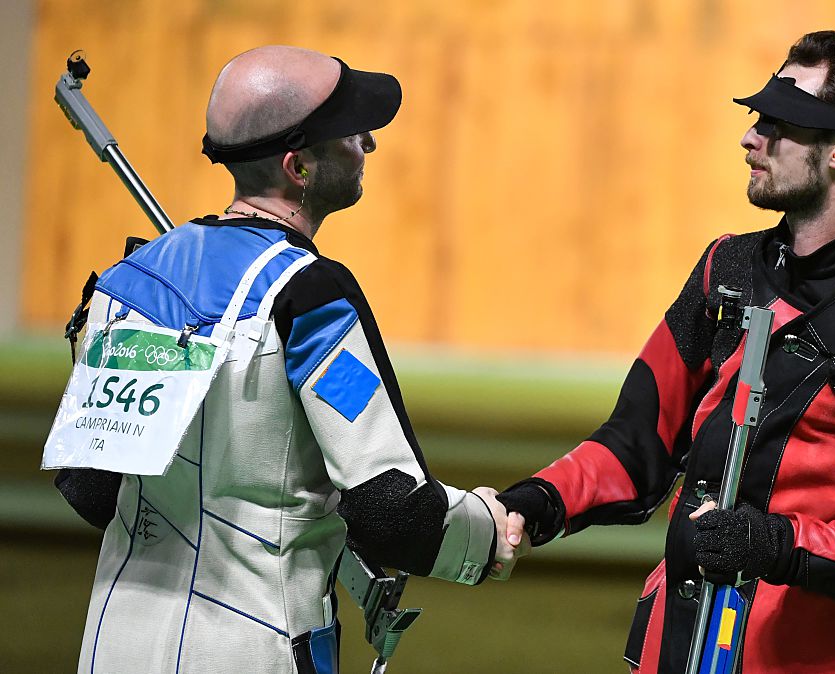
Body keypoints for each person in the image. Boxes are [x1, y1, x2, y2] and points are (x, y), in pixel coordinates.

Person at [497, 31, 835, 673]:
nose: (751, 137)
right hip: (674, 650)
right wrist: (534, 502)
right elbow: (636, 442)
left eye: (781, 123)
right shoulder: (726, 267)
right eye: (758, 118)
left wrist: (773, 544)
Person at [52, 45, 523, 673]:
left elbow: (90, 491)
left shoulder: (121, 285)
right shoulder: (310, 295)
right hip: (258, 649)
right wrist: (483, 531)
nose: (368, 147)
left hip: (113, 643)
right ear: (298, 166)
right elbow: (391, 510)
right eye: (351, 134)